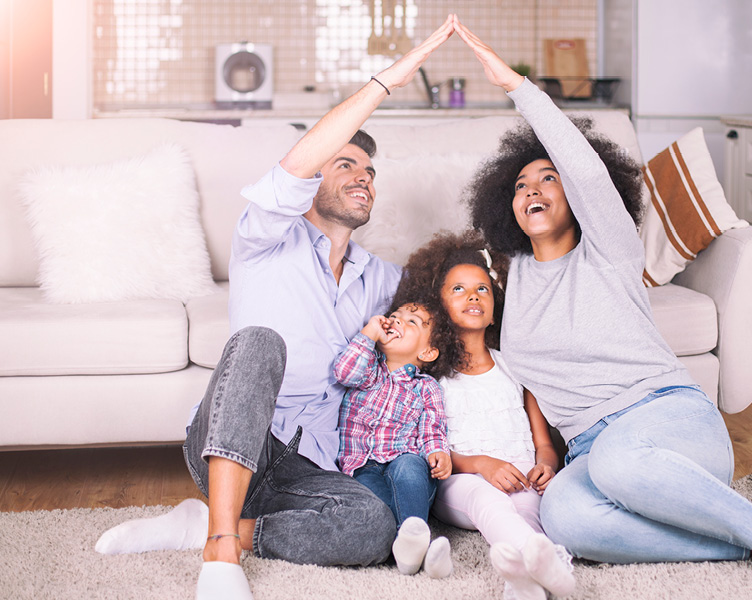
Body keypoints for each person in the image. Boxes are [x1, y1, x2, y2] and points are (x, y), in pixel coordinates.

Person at [454, 16, 752, 600]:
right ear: (505, 206)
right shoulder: (512, 284)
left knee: (620, 467)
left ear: (577, 193)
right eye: (519, 185)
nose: (533, 190)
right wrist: (545, 450)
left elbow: (586, 169)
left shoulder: (609, 251)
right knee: (567, 519)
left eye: (549, 178)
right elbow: (529, 379)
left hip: (668, 421)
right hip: (591, 447)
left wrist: (519, 88)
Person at [93, 16, 459, 600]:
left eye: (370, 172)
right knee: (262, 341)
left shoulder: (382, 280)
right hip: (235, 440)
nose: (363, 178)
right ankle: (219, 552)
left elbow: (452, 303)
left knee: (374, 527)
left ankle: (216, 526)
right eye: (345, 165)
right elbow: (295, 162)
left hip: (312, 466)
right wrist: (390, 80)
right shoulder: (262, 238)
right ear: (311, 175)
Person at [393, 230, 575, 600]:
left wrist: (546, 465)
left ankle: (521, 585)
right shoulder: (432, 376)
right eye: (457, 289)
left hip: (520, 475)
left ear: (495, 309)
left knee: (527, 513)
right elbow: (429, 448)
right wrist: (481, 464)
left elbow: (543, 442)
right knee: (486, 500)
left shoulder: (515, 368)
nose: (472, 295)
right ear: (439, 307)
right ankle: (556, 567)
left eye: (482, 289)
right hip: (460, 482)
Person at [334, 302, 455, 577]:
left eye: (411, 322)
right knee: (375, 506)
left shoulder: (425, 386)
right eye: (394, 316)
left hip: (404, 457)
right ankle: (414, 552)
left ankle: (415, 539)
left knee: (411, 468)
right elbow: (344, 372)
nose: (397, 321)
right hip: (361, 465)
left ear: (427, 352)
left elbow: (432, 426)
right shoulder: (369, 370)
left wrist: (438, 451)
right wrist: (369, 333)